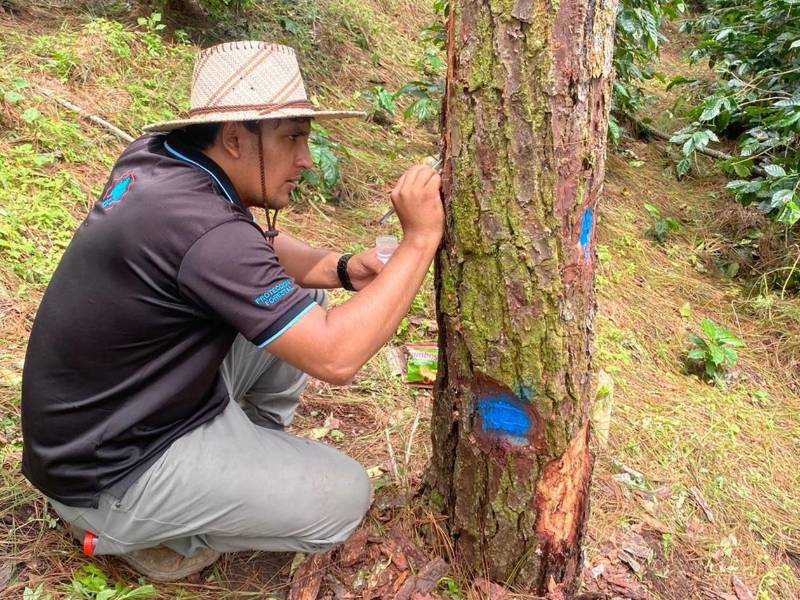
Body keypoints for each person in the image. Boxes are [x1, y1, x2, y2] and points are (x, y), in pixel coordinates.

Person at [20, 40, 443, 582]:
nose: (306, 160)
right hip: (108, 473)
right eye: (292, 138)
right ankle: (138, 529)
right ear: (235, 138)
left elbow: (241, 247)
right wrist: (420, 240)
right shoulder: (205, 229)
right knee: (344, 498)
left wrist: (339, 269)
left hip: (101, 420)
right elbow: (337, 358)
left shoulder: (160, 163)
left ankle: (240, 457)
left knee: (306, 295)